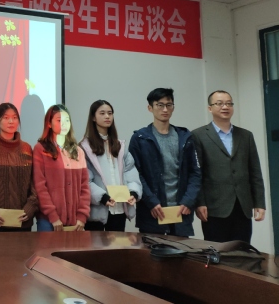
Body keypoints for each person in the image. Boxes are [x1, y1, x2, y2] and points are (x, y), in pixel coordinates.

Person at [191, 90, 265, 243]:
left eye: (229, 103)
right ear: (210, 108)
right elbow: (196, 173)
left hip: (243, 206)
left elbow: (255, 172)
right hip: (214, 207)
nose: (225, 107)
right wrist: (200, 202)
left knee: (242, 251)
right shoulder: (198, 135)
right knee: (217, 251)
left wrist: (259, 203)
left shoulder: (246, 135)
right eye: (219, 103)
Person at [129, 88, 201, 237]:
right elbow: (135, 174)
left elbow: (195, 172)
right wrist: (151, 201)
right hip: (153, 211)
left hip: (181, 210)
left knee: (181, 250)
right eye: (160, 105)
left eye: (169, 105)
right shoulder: (140, 138)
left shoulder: (185, 137)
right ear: (150, 108)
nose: (165, 109)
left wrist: (188, 201)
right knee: (153, 251)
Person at [80, 100, 141, 231]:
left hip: (119, 209)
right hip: (97, 210)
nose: (107, 116)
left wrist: (133, 193)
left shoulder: (120, 146)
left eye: (110, 113)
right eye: (102, 113)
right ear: (93, 117)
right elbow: (84, 180)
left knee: (118, 244)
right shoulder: (85, 147)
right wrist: (102, 197)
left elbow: (130, 172)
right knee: (96, 244)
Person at [0, 103, 38, 232]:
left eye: (15, 117)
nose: (11, 121)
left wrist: (30, 207)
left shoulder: (27, 148)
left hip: (22, 222)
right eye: (6, 117)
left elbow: (34, 182)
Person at [33, 104, 89, 231]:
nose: (64, 124)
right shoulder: (40, 149)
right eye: (59, 120)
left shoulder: (78, 151)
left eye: (67, 120)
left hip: (74, 221)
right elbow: (40, 186)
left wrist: (82, 216)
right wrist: (53, 216)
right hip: (48, 221)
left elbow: (85, 187)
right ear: (49, 123)